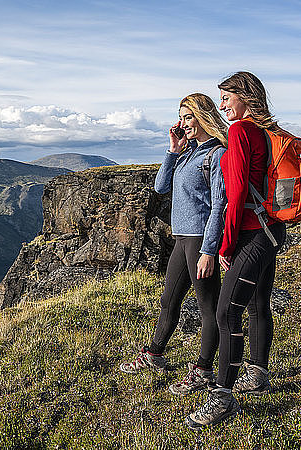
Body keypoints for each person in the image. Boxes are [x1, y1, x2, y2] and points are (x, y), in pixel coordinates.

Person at [186, 72, 287, 428]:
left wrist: (224, 245)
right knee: (258, 304)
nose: (223, 104)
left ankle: (223, 398)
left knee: (226, 313)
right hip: (271, 229)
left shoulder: (241, 131)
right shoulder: (262, 131)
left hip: (251, 234)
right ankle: (257, 373)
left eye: (228, 97)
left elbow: (236, 193)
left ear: (246, 97)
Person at [120, 93, 228, 396]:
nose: (183, 123)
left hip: (198, 239)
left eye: (188, 117)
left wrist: (209, 250)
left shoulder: (215, 155)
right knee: (169, 300)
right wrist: (173, 151)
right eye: (181, 118)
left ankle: (204, 370)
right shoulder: (188, 153)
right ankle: (154, 354)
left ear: (203, 116)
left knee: (209, 307)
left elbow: (220, 204)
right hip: (182, 237)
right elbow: (160, 187)